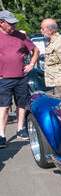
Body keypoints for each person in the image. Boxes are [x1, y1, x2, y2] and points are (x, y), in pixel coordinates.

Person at [0, 10, 39, 147]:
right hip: (3, 78)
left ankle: (20, 129)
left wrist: (31, 64)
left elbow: (35, 50)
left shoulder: (21, 36)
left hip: (21, 77)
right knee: (3, 106)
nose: (13, 26)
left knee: (21, 104)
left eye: (14, 24)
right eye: (10, 24)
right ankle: (1, 135)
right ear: (1, 23)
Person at [40, 18, 61, 98]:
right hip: (55, 82)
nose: (41, 31)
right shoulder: (52, 42)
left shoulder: (59, 42)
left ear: (50, 30)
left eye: (43, 29)